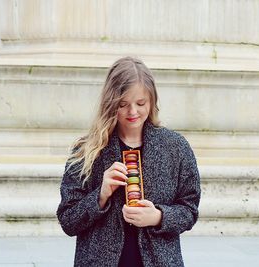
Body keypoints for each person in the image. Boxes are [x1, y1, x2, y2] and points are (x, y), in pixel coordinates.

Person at [57, 56, 201, 266]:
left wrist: (159, 216)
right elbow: (68, 221)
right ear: (110, 103)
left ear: (152, 100)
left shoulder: (175, 147)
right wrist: (101, 195)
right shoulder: (86, 150)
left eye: (140, 103)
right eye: (123, 104)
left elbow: (189, 210)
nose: (133, 112)